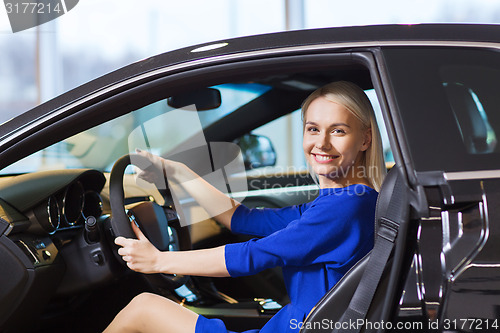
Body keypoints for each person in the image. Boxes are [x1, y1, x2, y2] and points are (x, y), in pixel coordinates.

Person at [103, 81, 386, 333]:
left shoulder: (344, 209)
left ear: (365, 138)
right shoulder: (351, 201)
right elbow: (242, 219)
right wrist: (176, 172)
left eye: (338, 130)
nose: (321, 143)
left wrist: (159, 261)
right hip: (293, 324)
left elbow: (251, 256)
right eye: (313, 129)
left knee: (143, 308)